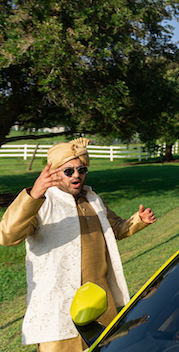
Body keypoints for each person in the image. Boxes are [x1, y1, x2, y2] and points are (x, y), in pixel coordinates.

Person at [0, 138, 156, 352]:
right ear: (54, 172)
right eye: (69, 171)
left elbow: (116, 228)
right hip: (59, 312)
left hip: (101, 305)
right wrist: (34, 194)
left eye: (82, 169)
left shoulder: (93, 199)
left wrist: (138, 220)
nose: (77, 175)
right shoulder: (41, 202)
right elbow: (8, 236)